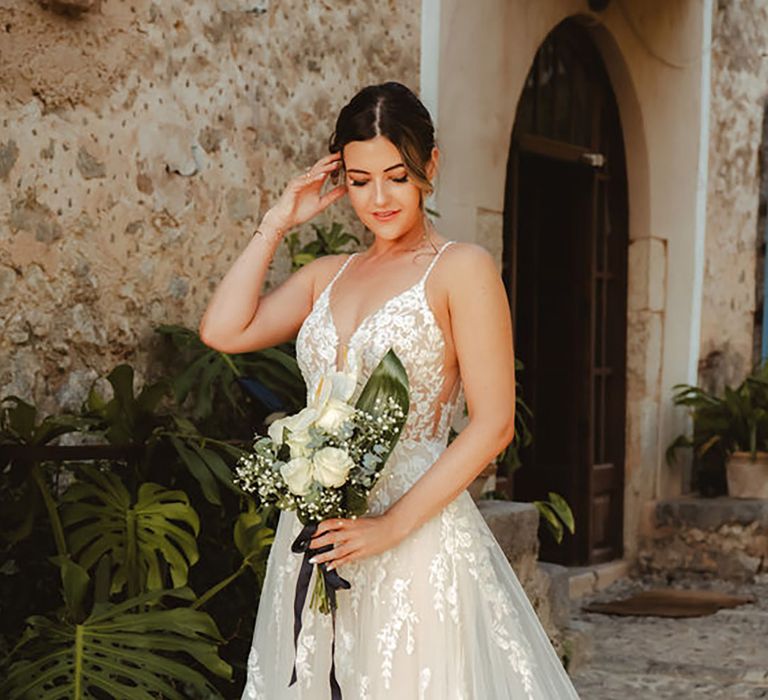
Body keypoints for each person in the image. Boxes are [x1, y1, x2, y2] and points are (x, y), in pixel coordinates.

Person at [199, 81, 580, 699]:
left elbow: (494, 424)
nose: (377, 198)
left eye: (396, 176)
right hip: (319, 535)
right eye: (358, 180)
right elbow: (223, 329)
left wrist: (390, 527)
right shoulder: (329, 274)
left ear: (430, 165)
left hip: (415, 536)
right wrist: (276, 222)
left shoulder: (461, 268)